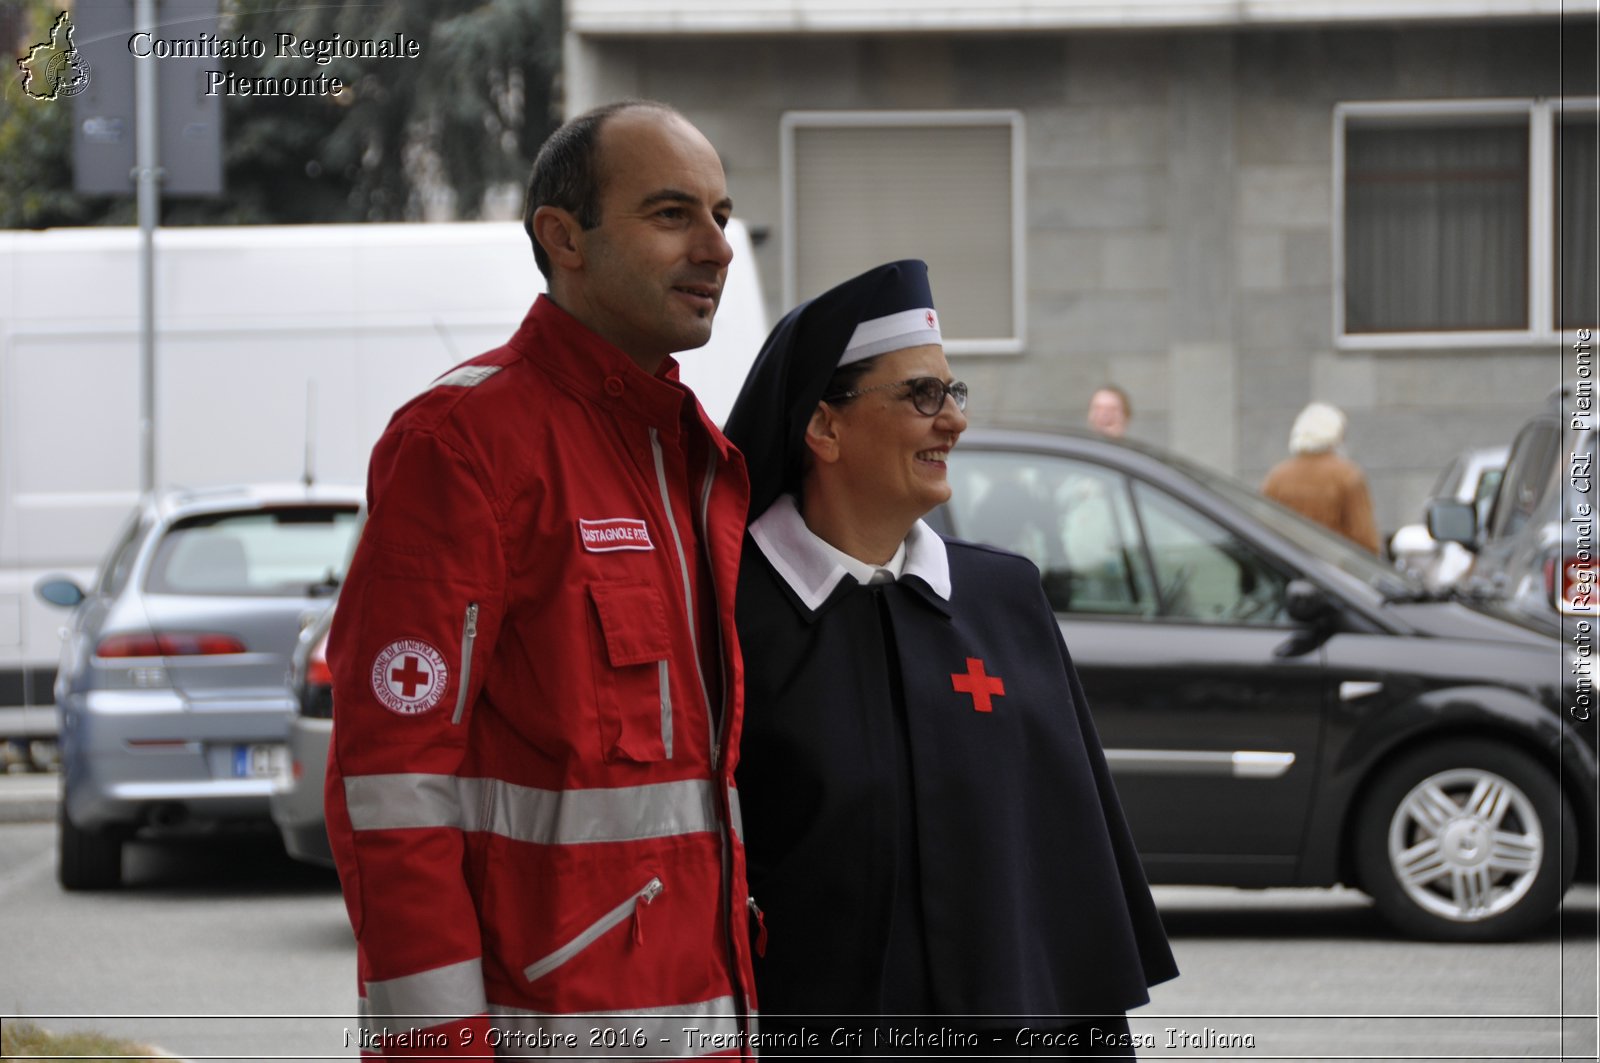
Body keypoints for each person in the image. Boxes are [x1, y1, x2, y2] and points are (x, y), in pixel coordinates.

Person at [322, 100, 758, 1056]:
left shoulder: (700, 459)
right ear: (564, 238)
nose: (718, 247)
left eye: (722, 216)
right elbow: (391, 788)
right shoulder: (461, 445)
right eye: (673, 213)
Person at [724, 261, 1177, 1058]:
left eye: (953, 392)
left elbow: (1065, 870)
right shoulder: (729, 613)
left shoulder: (1005, 597)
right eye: (920, 396)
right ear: (823, 427)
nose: (954, 421)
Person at [1261, 401, 1381, 553]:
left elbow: (1265, 528)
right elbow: (1365, 539)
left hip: (1288, 566)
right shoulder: (1347, 475)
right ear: (1337, 434)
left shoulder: (1277, 476)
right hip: (1331, 570)